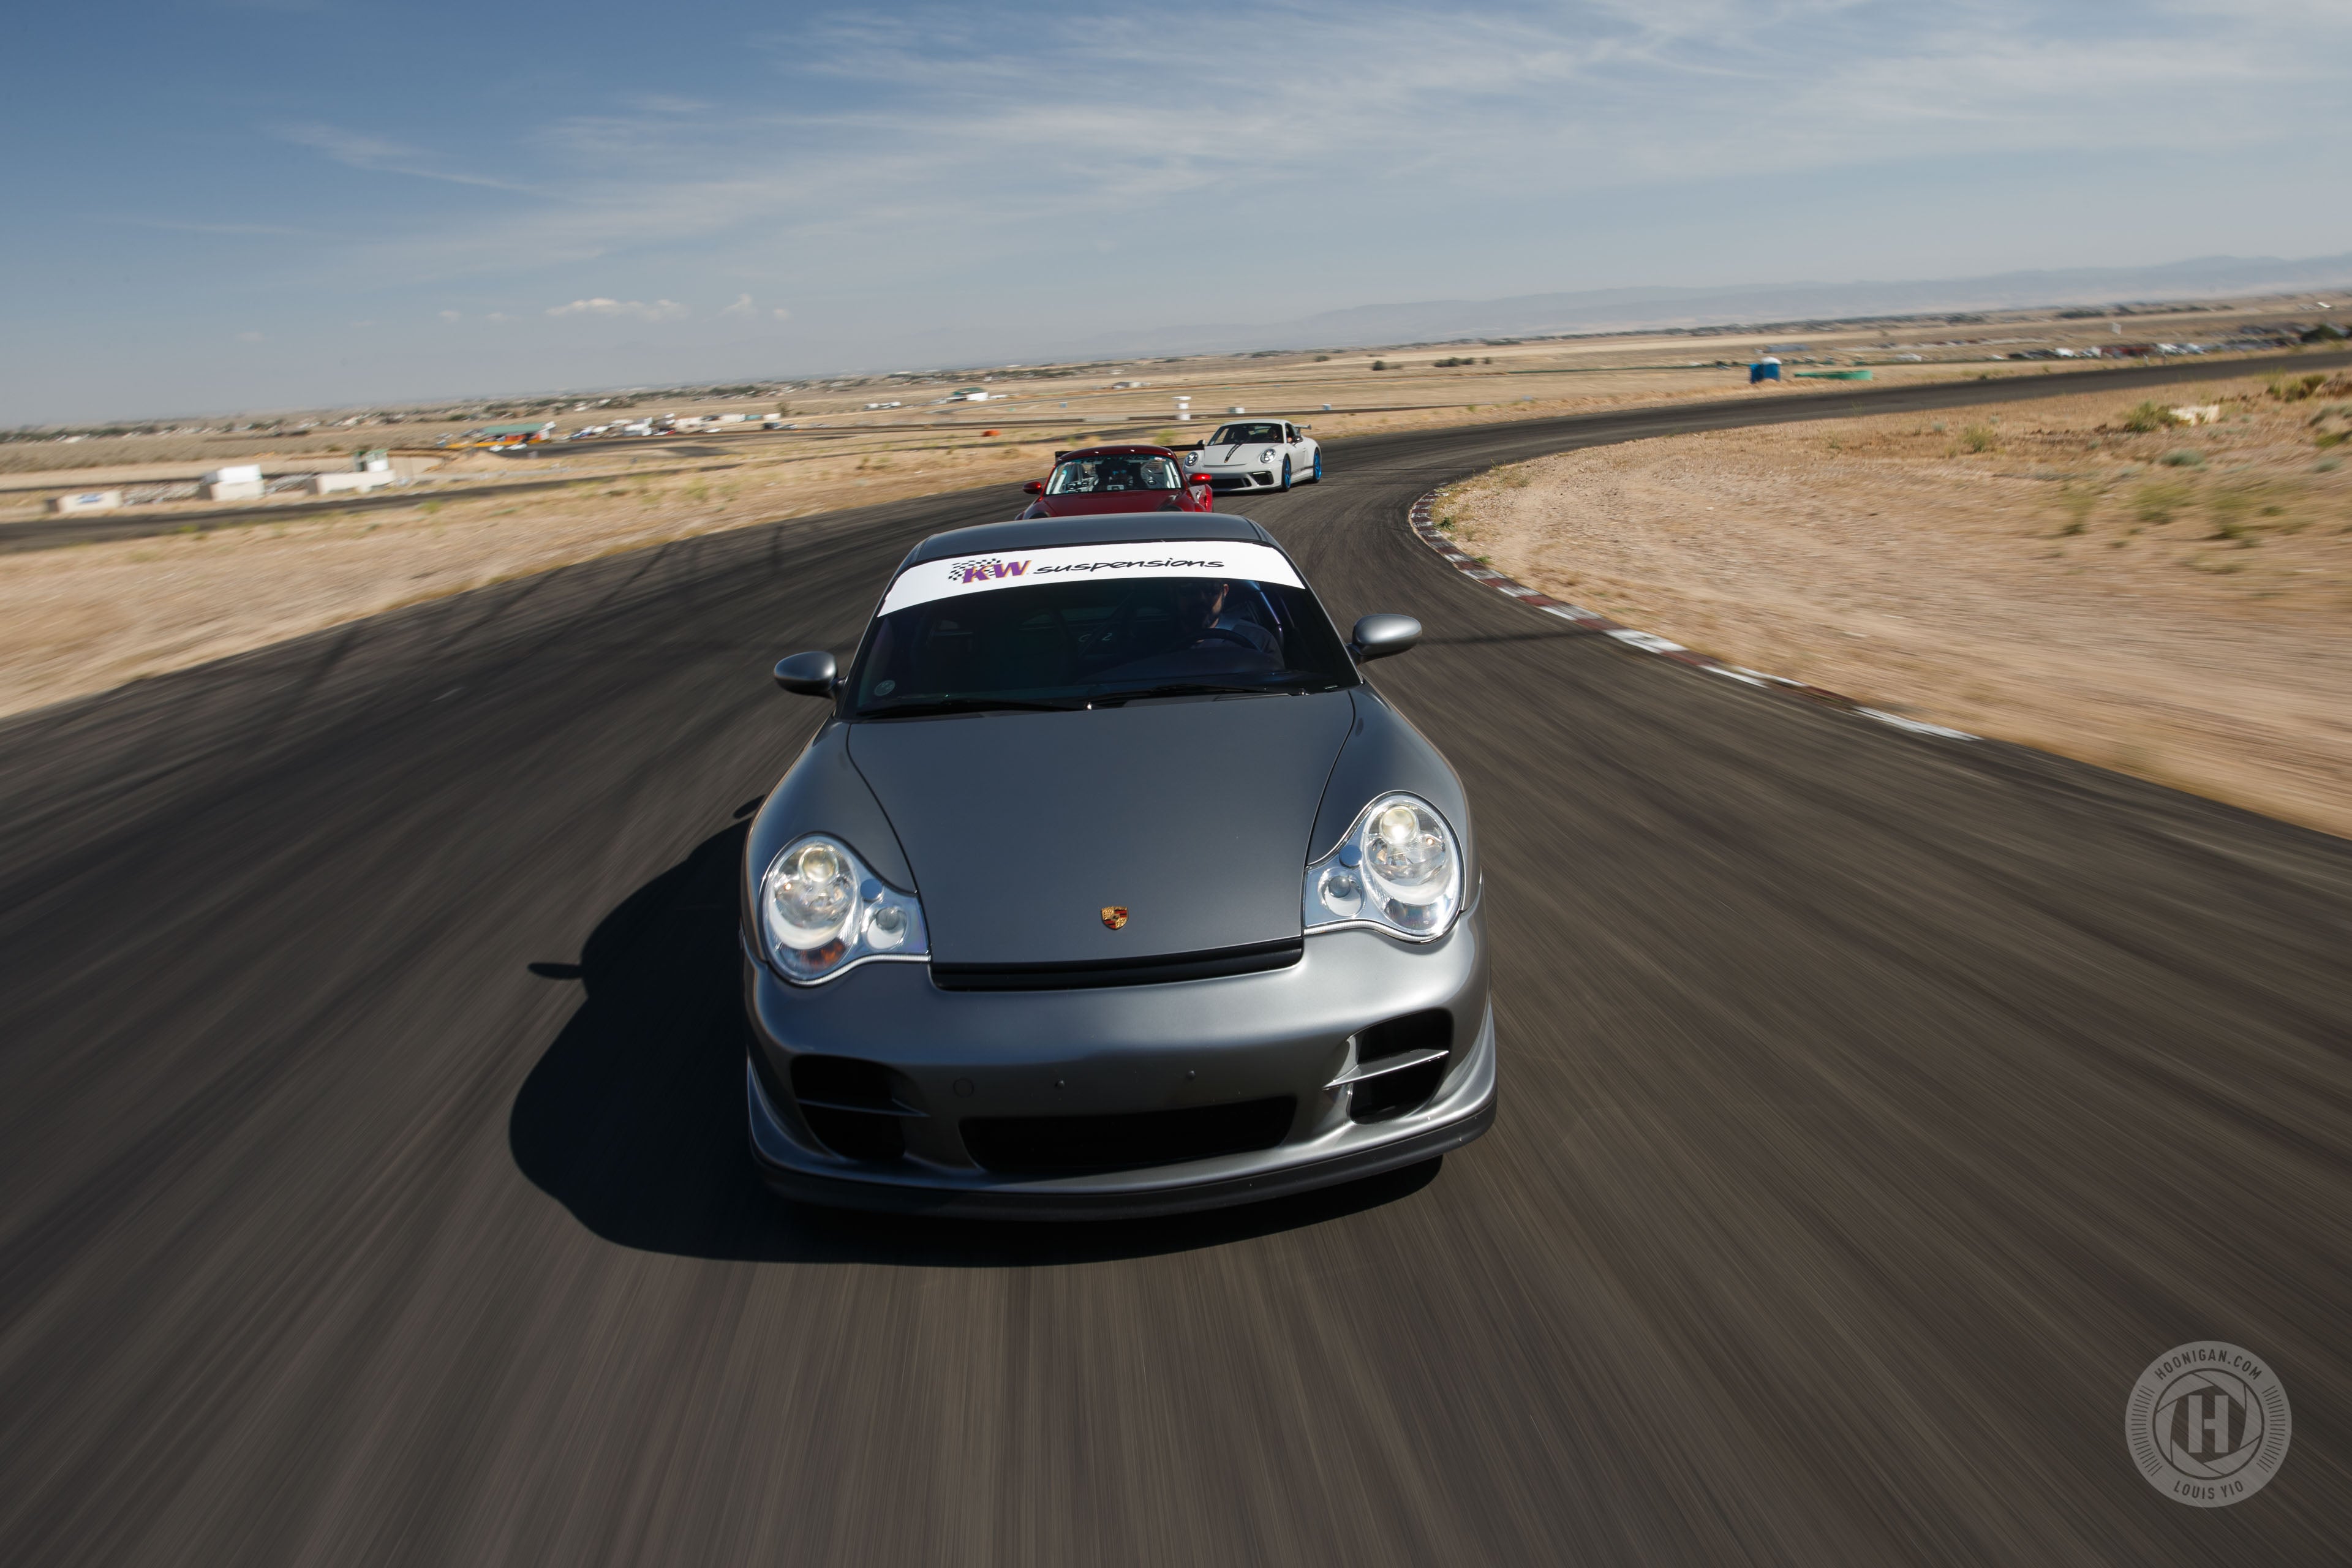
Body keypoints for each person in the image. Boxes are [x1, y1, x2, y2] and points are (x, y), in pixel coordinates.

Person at [1172, 579, 1280, 658]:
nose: (1201, 599)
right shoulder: (1157, 641)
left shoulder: (1259, 640)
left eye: (1211, 589)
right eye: (1189, 589)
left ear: (1225, 591)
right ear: (1173, 592)